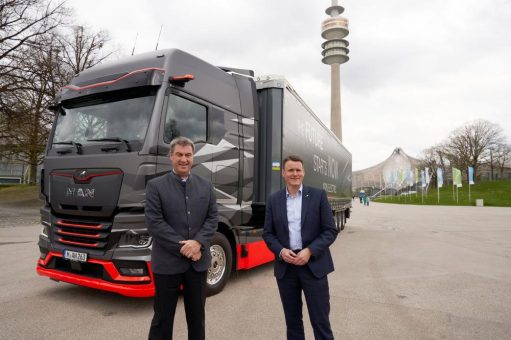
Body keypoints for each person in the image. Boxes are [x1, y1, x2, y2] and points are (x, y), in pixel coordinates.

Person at [145, 136, 218, 340]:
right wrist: (185, 248)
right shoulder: (155, 186)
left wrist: (198, 243)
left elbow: (213, 218)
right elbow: (154, 223)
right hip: (168, 264)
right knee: (162, 319)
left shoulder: (206, 186)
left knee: (197, 319)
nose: (183, 159)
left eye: (188, 155)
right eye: (179, 155)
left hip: (198, 264)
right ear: (171, 156)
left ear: (193, 157)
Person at [263, 155, 337, 340]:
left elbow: (329, 230)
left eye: (298, 170)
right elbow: (268, 233)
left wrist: (309, 251)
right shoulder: (274, 200)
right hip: (286, 269)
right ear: (283, 173)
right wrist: (280, 251)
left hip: (314, 267)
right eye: (290, 170)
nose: (295, 173)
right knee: (293, 322)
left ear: (303, 173)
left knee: (320, 322)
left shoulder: (318, 196)